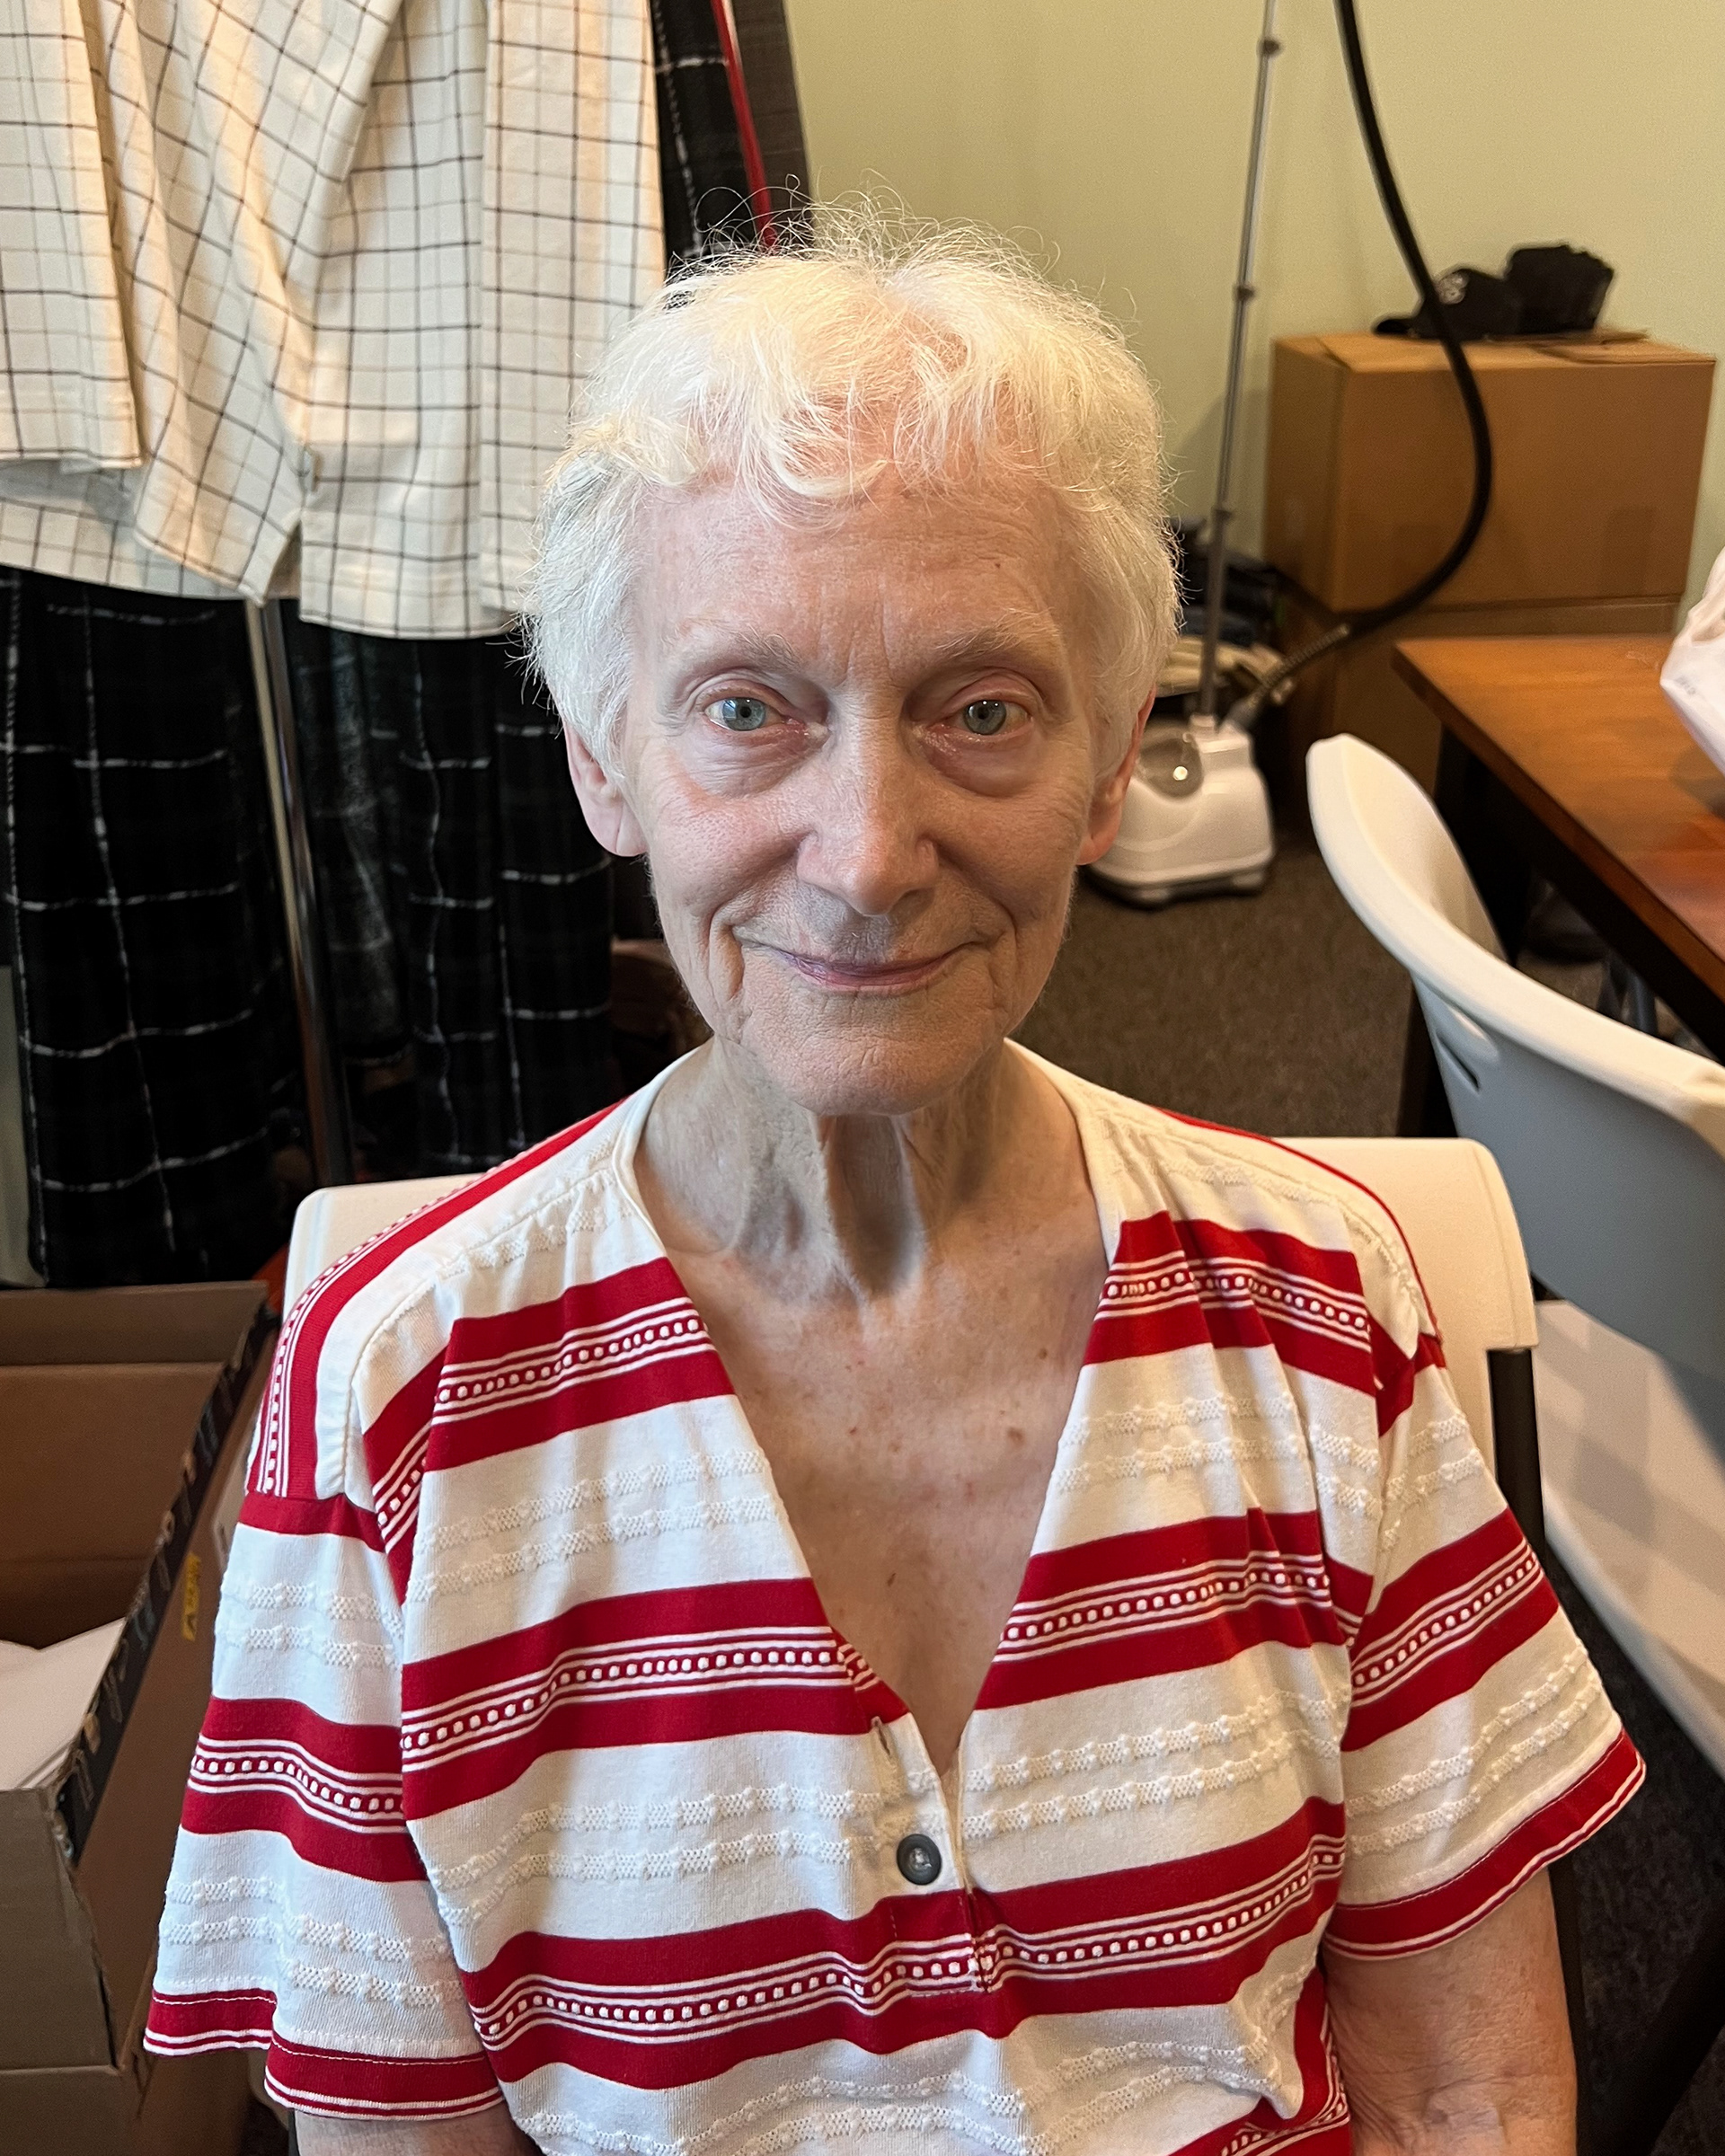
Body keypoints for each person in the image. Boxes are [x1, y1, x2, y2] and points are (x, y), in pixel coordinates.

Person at [146, 217, 1641, 2156]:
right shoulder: (398, 1393)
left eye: (982, 710)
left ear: (1108, 765)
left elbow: (1470, 2082)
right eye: (746, 708)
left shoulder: (1319, 1310)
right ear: (607, 763)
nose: (865, 854)